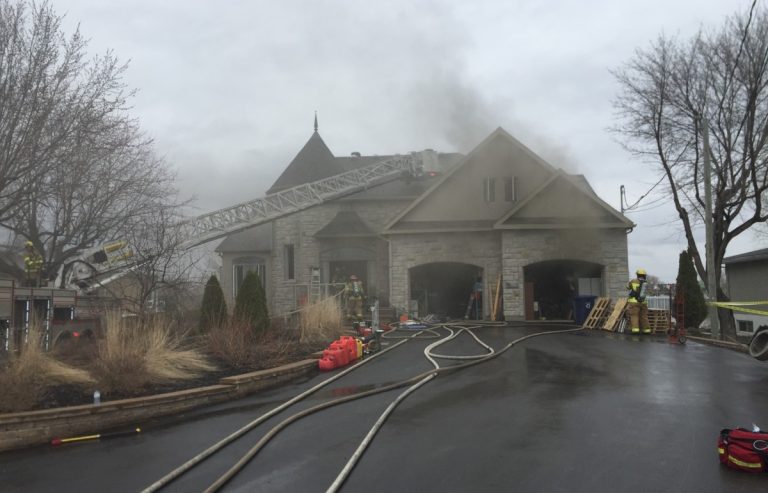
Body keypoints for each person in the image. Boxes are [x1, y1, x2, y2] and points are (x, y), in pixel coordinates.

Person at [627, 268, 651, 334]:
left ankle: (635, 330)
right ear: (644, 275)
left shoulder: (633, 281)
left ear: (637, 275)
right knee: (644, 316)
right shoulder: (646, 283)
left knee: (634, 315)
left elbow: (627, 287)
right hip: (643, 302)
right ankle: (646, 330)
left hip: (634, 302)